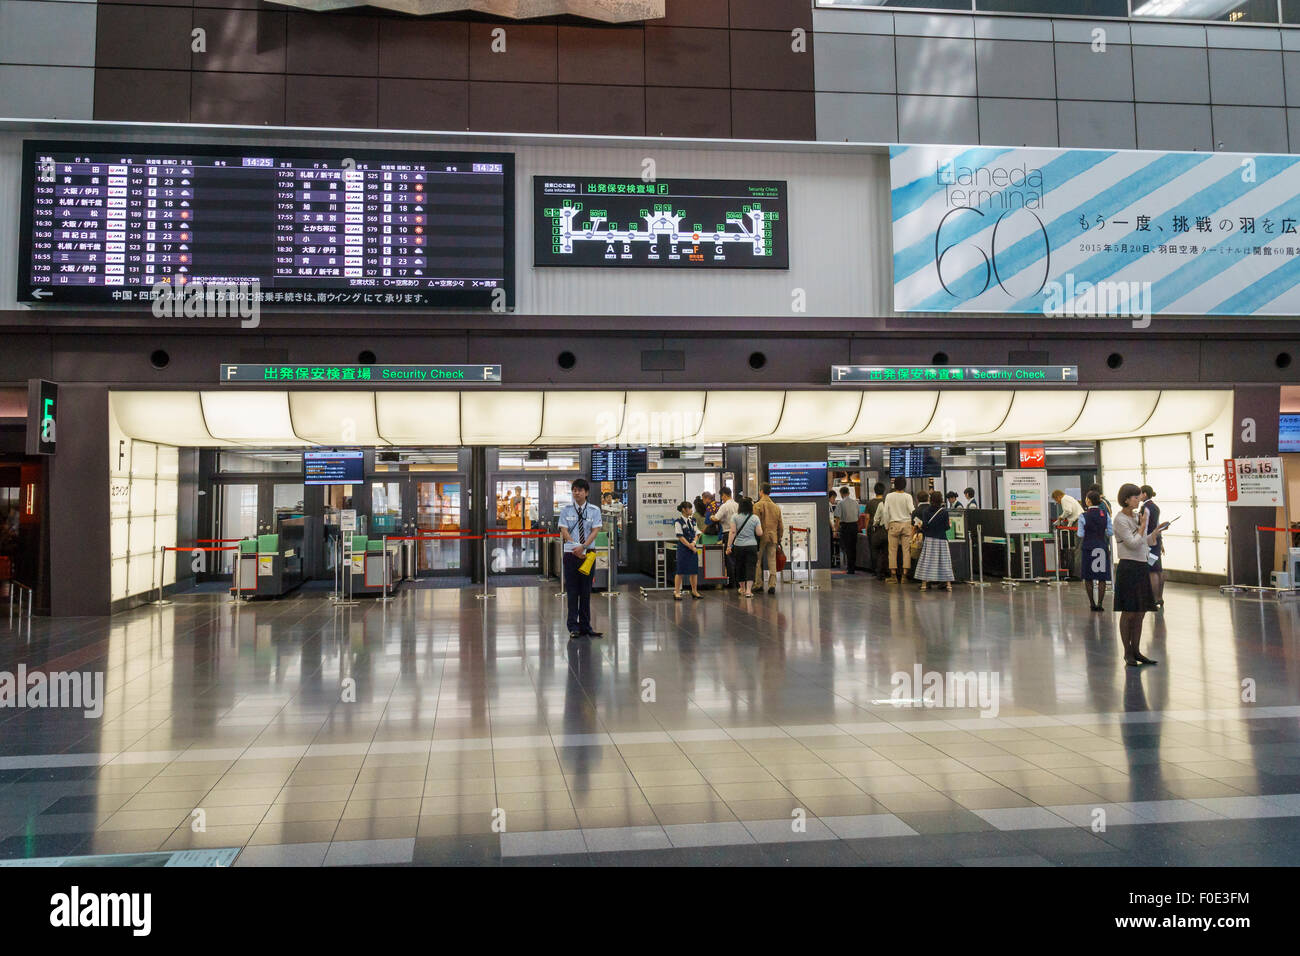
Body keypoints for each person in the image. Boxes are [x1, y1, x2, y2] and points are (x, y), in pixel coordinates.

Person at [1113, 482, 1167, 666]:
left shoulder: (1137, 517)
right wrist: (1143, 527)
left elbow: (1145, 542)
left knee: (1141, 611)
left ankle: (1136, 650)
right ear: (1126, 499)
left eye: (1138, 496)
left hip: (1142, 565)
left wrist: (1155, 533)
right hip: (1128, 567)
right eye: (1135, 497)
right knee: (1129, 611)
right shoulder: (1120, 520)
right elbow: (1132, 543)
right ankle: (1127, 652)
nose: (1138, 500)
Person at [558, 478, 604, 640]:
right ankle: (573, 626)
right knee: (572, 591)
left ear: (586, 493)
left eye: (579, 490)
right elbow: (564, 531)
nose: (576, 493)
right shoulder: (566, 510)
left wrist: (583, 547)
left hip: (588, 554)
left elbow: (594, 531)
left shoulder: (594, 510)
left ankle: (586, 626)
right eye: (574, 490)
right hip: (571, 554)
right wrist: (575, 547)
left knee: (585, 591)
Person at [1078, 490, 1113, 612]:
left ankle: (1092, 604)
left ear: (1088, 500)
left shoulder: (1083, 516)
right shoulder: (1105, 514)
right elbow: (1110, 532)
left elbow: (1080, 534)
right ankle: (1100, 603)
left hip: (1088, 547)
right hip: (1101, 547)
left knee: (1088, 577)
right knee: (1102, 577)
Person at [913, 491, 954, 591]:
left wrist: (921, 525)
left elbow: (926, 526)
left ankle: (924, 584)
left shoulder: (926, 512)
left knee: (927, 562)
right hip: (942, 540)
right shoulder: (944, 512)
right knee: (945, 562)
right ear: (941, 500)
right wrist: (950, 525)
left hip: (930, 540)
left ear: (930, 500)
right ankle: (948, 585)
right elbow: (946, 527)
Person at [880, 477, 917, 584]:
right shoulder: (908, 496)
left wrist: (887, 526)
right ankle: (905, 576)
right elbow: (912, 510)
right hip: (906, 525)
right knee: (906, 550)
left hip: (893, 524)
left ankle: (893, 575)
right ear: (904, 485)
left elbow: (886, 512)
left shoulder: (889, 496)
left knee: (892, 551)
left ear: (894, 485)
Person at [726, 495, 762, 598]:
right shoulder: (755, 518)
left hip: (739, 546)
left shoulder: (735, 517)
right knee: (750, 567)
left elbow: (732, 532)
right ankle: (749, 591)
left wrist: (729, 546)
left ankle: (742, 588)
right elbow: (759, 533)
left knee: (740, 566)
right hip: (752, 545)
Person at [753, 483, 784, 595]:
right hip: (773, 537)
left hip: (760, 536)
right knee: (772, 560)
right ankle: (772, 585)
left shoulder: (757, 505)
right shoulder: (776, 507)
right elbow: (781, 525)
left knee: (757, 560)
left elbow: (755, 523)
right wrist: (779, 537)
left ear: (761, 491)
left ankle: (758, 584)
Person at [1140, 485, 1165, 612]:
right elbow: (1158, 525)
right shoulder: (1155, 507)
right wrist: (1161, 542)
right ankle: (1160, 597)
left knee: (1152, 571)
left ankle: (1154, 599)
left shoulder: (1145, 507)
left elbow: (1145, 525)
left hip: (1149, 541)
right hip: (1157, 540)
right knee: (1159, 570)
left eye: (1139, 493)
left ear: (1144, 494)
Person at [673, 500, 702, 600]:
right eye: (689, 508)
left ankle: (694, 591)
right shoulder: (678, 522)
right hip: (683, 549)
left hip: (693, 548)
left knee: (694, 571)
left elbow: (697, 533)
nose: (691, 510)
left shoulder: (693, 521)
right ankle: (676, 592)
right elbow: (680, 536)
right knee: (680, 570)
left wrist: (694, 543)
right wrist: (690, 546)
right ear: (684, 510)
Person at [714, 487, 739, 587]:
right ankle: (738, 582)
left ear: (724, 495)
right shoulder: (737, 505)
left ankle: (731, 582)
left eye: (722, 496)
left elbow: (716, 518)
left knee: (729, 559)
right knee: (737, 558)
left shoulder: (724, 506)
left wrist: (712, 517)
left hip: (727, 533)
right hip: (738, 534)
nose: (722, 498)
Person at [864, 483, 887, 579]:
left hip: (872, 529)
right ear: (884, 491)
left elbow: (867, 518)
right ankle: (884, 570)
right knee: (885, 551)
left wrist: (866, 530)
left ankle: (875, 570)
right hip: (884, 529)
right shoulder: (886, 501)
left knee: (874, 550)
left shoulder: (870, 503)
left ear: (874, 491)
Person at [836, 486, 860, 574]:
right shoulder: (856, 503)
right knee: (853, 547)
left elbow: (838, 518)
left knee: (846, 547)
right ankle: (852, 567)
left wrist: (836, 530)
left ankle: (849, 568)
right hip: (854, 526)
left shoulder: (840, 503)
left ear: (841, 494)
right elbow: (858, 516)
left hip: (845, 527)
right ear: (849, 493)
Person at [828, 490, 841, 565]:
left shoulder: (829, 505)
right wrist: (833, 529)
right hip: (830, 528)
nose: (834, 500)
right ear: (831, 497)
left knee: (831, 545)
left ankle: (831, 561)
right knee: (830, 545)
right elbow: (829, 518)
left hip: (831, 527)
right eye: (834, 498)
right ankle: (831, 562)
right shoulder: (828, 505)